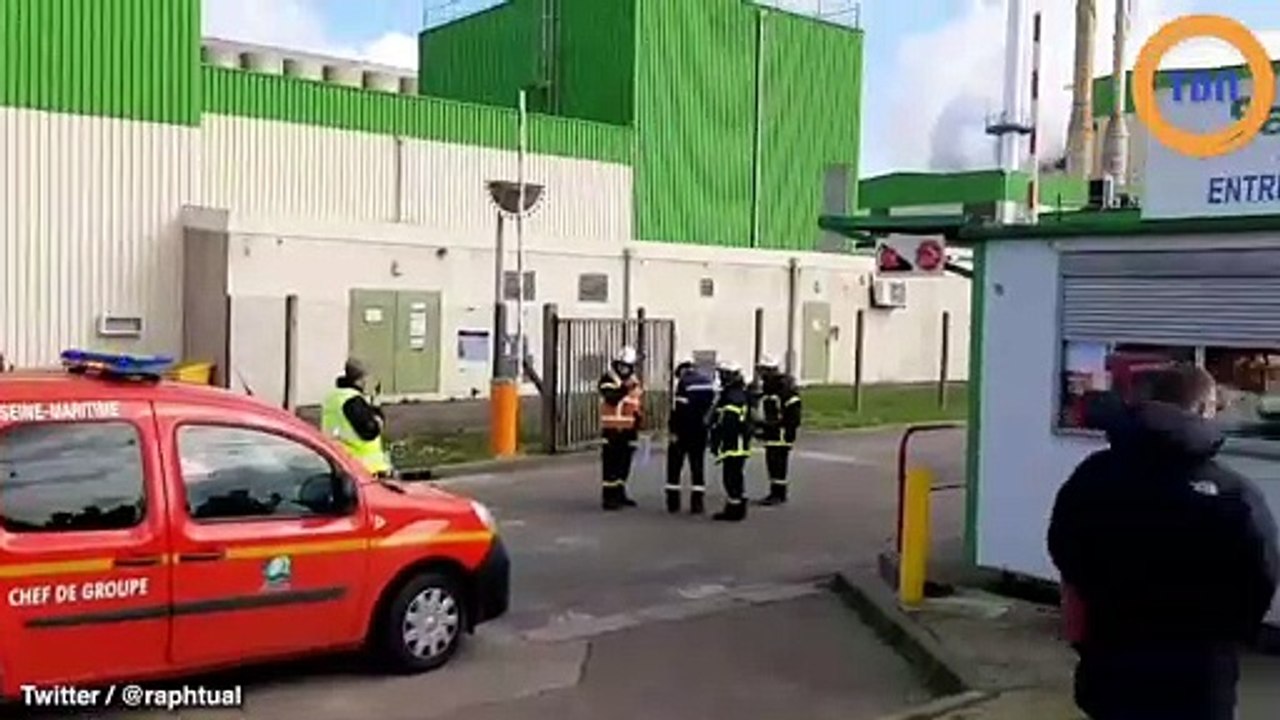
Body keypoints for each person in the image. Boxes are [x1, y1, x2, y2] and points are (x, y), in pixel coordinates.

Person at [1047, 363, 1279, 720]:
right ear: (1204, 410)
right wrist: (1225, 635)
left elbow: (1066, 551)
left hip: (1113, 672)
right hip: (1199, 682)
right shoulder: (1235, 496)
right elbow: (1259, 579)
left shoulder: (1095, 477)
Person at [321, 358, 392, 476]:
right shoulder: (353, 400)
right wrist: (377, 412)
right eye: (366, 379)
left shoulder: (334, 397)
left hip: (339, 463)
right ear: (360, 380)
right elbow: (369, 430)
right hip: (362, 470)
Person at [665, 359, 717, 514]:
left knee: (674, 467)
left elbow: (679, 410)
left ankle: (673, 503)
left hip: (683, 431)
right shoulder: (708, 382)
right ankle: (697, 503)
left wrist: (673, 431)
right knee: (697, 466)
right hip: (700, 431)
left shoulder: (684, 384)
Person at [598, 346, 644, 511]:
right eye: (621, 365)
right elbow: (611, 398)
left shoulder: (634, 381)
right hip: (611, 429)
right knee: (611, 465)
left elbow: (636, 403)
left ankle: (620, 493)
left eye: (627, 366)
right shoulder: (608, 379)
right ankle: (608, 498)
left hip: (628, 430)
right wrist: (625, 388)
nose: (624, 369)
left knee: (624, 464)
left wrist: (638, 422)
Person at [752, 355, 802, 506]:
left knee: (778, 463)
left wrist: (771, 426)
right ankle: (776, 491)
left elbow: (793, 416)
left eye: (763, 371)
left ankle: (779, 494)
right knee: (772, 463)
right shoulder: (769, 389)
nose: (761, 375)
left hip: (781, 433)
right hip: (773, 432)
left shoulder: (785, 391)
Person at [709, 361, 753, 522]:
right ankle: (735, 507)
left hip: (734, 444)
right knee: (734, 476)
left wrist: (716, 439)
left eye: (723, 374)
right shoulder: (735, 393)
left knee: (732, 477)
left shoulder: (733, 396)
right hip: (735, 443)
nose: (720, 378)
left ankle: (735, 510)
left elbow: (728, 423)